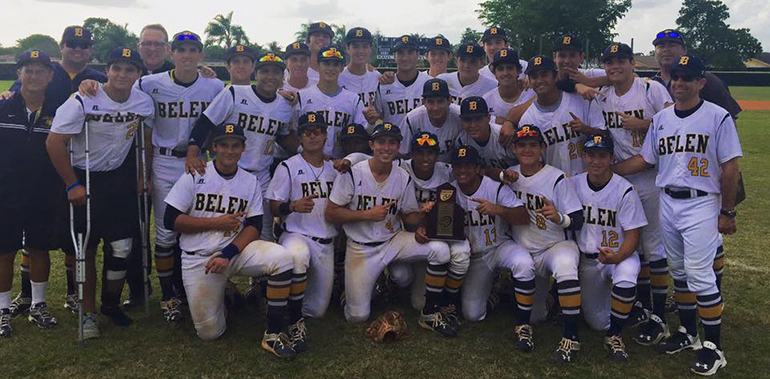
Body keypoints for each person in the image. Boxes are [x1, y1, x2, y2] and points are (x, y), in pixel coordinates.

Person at [612, 55, 741, 376]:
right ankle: (688, 333)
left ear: (701, 83)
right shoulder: (662, 119)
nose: (680, 83)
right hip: (668, 200)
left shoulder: (718, 116)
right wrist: (609, 172)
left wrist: (727, 211)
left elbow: (730, 169)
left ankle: (714, 347)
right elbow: (645, 160)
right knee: (679, 272)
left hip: (701, 203)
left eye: (688, 78)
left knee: (699, 273)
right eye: (676, 78)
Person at [163, 122, 297, 359]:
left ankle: (274, 332)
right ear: (214, 147)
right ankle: (225, 294)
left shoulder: (249, 181)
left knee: (283, 258)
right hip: (200, 259)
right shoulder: (196, 174)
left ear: (243, 148)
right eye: (224, 145)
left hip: (234, 253)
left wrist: (228, 254)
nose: (230, 150)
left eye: (236, 145)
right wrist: (216, 223)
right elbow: (170, 219)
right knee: (209, 333)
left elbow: (255, 225)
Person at [47, 47, 154, 339]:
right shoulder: (83, 99)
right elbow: (55, 143)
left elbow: (146, 139)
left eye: (129, 69)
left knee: (122, 246)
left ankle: (110, 303)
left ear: (138, 74)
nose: (122, 74)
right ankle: (89, 314)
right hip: (83, 175)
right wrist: (71, 184)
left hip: (117, 177)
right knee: (86, 248)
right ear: (106, 71)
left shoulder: (143, 102)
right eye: (116, 68)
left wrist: (144, 175)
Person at [5, 26, 107, 315]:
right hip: (39, 163)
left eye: (84, 45)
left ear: (90, 49)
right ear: (62, 46)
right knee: (33, 234)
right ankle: (27, 294)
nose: (77, 49)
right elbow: (17, 97)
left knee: (71, 232)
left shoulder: (98, 78)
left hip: (77, 162)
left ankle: (73, 293)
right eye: (72, 44)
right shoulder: (49, 72)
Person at [325, 123, 455, 336]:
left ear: (398, 146)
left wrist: (424, 213)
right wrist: (366, 215)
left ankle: (430, 313)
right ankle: (363, 289)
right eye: (381, 142)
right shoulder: (353, 173)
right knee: (357, 317)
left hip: (392, 240)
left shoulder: (402, 176)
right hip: (360, 248)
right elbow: (331, 213)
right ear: (372, 145)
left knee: (439, 250)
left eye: (391, 142)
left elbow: (409, 217)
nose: (386, 148)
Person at [136, 30, 225, 323]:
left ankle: (197, 288)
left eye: (193, 49)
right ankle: (168, 295)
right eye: (181, 49)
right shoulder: (149, 83)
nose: (187, 55)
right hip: (164, 162)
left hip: (200, 163)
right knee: (165, 233)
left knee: (199, 227)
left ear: (201, 55)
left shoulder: (213, 86)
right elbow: (117, 91)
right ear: (171, 53)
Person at [592, 42, 674, 345]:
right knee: (634, 246)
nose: (615, 67)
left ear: (632, 64)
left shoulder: (650, 89)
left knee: (654, 249)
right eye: (609, 62)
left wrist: (644, 123)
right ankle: (641, 306)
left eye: (620, 61)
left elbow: (674, 123)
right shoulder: (606, 97)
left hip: (651, 177)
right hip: (624, 180)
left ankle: (659, 315)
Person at [187, 52, 297, 242]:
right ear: (256, 74)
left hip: (261, 175)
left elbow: (282, 136)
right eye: (265, 71)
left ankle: (262, 269)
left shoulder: (285, 105)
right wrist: (192, 153)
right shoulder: (234, 93)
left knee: (262, 229)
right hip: (228, 172)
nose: (270, 76)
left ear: (283, 78)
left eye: (276, 72)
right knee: (218, 227)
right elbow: (205, 123)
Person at [505, 124, 585, 363]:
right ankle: (533, 317)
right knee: (537, 316)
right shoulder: (510, 174)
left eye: (533, 145)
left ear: (542, 148)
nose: (527, 150)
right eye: (522, 145)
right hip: (525, 248)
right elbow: (486, 175)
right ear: (514, 149)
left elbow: (578, 220)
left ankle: (571, 336)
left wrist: (559, 217)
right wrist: (500, 175)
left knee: (565, 265)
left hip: (554, 246)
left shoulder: (557, 177)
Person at [448, 145, 535, 352]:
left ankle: (524, 324)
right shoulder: (449, 191)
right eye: (458, 165)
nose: (463, 170)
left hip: (499, 245)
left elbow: (523, 216)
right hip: (475, 257)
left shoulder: (494, 187)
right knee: (472, 314)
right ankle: (497, 294)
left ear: (478, 168)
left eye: (468, 165)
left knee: (524, 264)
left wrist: (499, 209)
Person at [0, 51, 62, 337]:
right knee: (4, 251)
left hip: (43, 192)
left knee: (38, 248)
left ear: (50, 76)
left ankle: (38, 304)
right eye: (29, 71)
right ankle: (2, 310)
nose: (35, 76)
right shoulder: (3, 107)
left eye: (41, 71)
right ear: (19, 75)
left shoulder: (59, 110)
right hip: (6, 191)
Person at [265, 112, 339, 352]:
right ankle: (294, 320)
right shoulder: (288, 166)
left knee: (317, 310)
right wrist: (292, 206)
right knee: (296, 257)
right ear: (300, 137)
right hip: (297, 234)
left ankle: (287, 303)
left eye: (318, 131)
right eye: (307, 131)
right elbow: (274, 204)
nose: (313, 136)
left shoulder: (334, 167)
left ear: (326, 135)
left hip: (326, 241)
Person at [571, 133, 647, 362]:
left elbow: (634, 235)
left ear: (612, 157)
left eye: (602, 155)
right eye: (591, 155)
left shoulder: (625, 189)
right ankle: (619, 312)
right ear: (584, 156)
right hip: (588, 260)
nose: (596, 161)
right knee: (597, 323)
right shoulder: (574, 184)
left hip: (620, 254)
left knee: (625, 276)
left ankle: (615, 336)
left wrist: (617, 257)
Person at [519, 55, 604, 177]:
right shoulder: (527, 120)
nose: (539, 80)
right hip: (553, 186)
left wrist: (586, 130)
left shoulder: (583, 100)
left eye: (544, 74)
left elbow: (606, 136)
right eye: (534, 76)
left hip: (588, 181)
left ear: (555, 76)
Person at [295, 46, 369, 158]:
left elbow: (362, 134)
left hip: (341, 163)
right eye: (326, 63)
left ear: (341, 68)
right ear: (318, 66)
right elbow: (291, 132)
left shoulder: (353, 99)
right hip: (308, 162)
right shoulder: (302, 96)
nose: (331, 68)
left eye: (335, 64)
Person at [651, 29, 741, 119]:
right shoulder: (649, 85)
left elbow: (728, 120)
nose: (666, 50)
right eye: (661, 46)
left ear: (684, 50)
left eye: (672, 45)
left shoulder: (707, 80)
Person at [399, 78, 463, 162]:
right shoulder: (412, 118)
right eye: (431, 102)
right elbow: (403, 153)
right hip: (420, 169)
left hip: (452, 169)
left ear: (449, 100)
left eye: (440, 101)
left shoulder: (460, 116)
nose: (436, 107)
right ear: (424, 102)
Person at [375, 35, 431, 127]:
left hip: (423, 139)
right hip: (393, 139)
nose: (405, 58)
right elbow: (377, 117)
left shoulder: (428, 83)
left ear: (417, 54)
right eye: (400, 53)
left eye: (410, 52)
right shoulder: (384, 85)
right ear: (394, 56)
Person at [457, 97, 518, 170]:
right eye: (467, 120)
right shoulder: (461, 141)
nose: (473, 125)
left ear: (488, 118)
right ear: (461, 121)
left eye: (478, 119)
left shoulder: (504, 135)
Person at [482, 48, 535, 124]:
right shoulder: (487, 100)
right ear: (494, 73)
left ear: (519, 71)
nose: (505, 73)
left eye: (510, 68)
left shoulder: (531, 93)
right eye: (500, 69)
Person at [339, 27, 380, 110]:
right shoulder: (338, 77)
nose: (360, 51)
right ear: (347, 48)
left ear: (370, 49)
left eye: (365, 46)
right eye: (355, 46)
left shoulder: (377, 77)